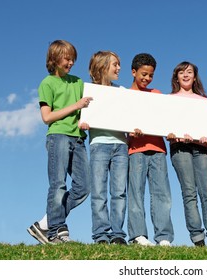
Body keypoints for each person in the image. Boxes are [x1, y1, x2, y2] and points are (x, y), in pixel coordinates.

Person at [27, 40, 92, 244]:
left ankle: (45, 223)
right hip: (58, 137)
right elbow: (47, 117)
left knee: (84, 187)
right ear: (54, 58)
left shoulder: (78, 82)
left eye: (73, 58)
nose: (71, 62)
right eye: (67, 58)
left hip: (78, 139)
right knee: (58, 185)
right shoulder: (47, 83)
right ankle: (55, 231)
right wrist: (76, 106)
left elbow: (88, 108)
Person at [167, 61, 207, 247]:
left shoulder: (204, 101)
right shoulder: (169, 100)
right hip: (180, 148)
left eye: (189, 72)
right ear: (177, 77)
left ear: (195, 76)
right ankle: (197, 237)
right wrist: (173, 134)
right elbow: (166, 126)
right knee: (189, 192)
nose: (186, 75)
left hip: (201, 149)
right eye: (181, 72)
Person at [127, 53, 174, 246]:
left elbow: (166, 119)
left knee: (161, 193)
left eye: (151, 75)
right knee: (136, 192)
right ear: (134, 72)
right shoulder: (125, 96)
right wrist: (130, 130)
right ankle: (138, 235)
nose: (147, 78)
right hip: (136, 149)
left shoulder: (157, 95)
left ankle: (163, 237)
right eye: (143, 74)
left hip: (158, 148)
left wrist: (171, 131)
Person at [82, 51, 129, 245]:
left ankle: (117, 233)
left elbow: (131, 115)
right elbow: (83, 115)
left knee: (119, 192)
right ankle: (101, 234)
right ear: (102, 67)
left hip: (120, 145)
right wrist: (83, 121)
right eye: (115, 64)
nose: (119, 68)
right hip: (99, 144)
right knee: (99, 192)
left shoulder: (122, 92)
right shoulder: (89, 92)